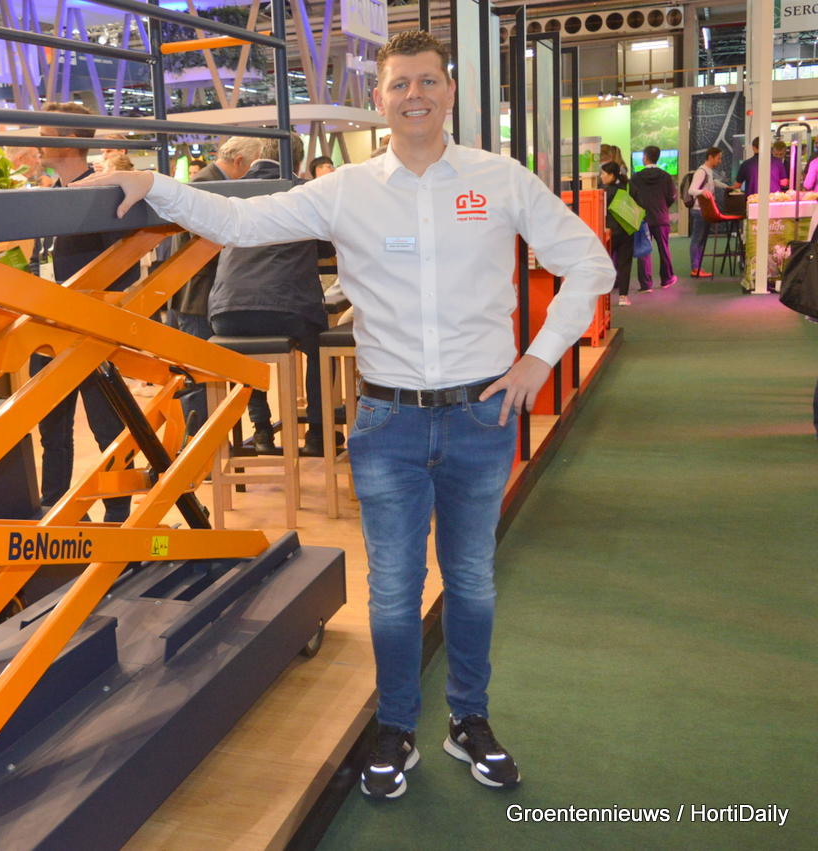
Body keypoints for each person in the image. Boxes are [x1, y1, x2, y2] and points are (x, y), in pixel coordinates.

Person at [76, 30, 613, 798]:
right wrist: (154, 182)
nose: (414, 95)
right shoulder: (347, 189)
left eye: (427, 81)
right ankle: (395, 728)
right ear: (380, 99)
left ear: (450, 91)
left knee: (471, 582)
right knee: (393, 588)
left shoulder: (500, 180)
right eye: (399, 84)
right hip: (388, 423)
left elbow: (588, 262)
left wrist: (540, 358)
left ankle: (469, 719)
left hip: (480, 417)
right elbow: (240, 224)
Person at [32, 102, 139, 523]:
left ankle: (119, 511)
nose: (39, 143)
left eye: (46, 135)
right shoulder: (48, 198)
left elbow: (126, 266)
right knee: (51, 428)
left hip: (91, 327)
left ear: (71, 140)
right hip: (45, 323)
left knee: (106, 424)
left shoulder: (100, 194)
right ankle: (55, 507)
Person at [207, 134, 331, 456]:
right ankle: (318, 434)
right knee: (322, 348)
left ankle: (261, 431)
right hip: (284, 309)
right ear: (299, 161)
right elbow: (328, 245)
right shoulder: (304, 191)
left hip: (224, 312)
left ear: (260, 153)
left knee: (247, 354)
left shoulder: (234, 190)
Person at [168, 136, 261, 432]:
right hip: (198, 296)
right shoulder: (208, 186)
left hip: (203, 294)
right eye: (253, 167)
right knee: (199, 376)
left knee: (206, 376)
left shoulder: (208, 182)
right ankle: (199, 447)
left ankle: (210, 446)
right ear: (239, 162)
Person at [629, 145, 678, 292]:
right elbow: (671, 197)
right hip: (661, 217)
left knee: (644, 250)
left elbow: (631, 197)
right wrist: (663, 207)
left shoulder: (636, 178)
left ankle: (646, 284)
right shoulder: (666, 176)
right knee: (664, 249)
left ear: (645, 157)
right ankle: (667, 279)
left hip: (643, 218)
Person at [686, 146, 732, 278]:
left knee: (700, 240)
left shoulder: (708, 171)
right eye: (718, 158)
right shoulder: (701, 171)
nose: (720, 161)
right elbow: (691, 190)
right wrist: (702, 192)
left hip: (704, 210)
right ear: (710, 157)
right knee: (697, 239)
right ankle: (695, 268)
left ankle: (697, 267)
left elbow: (712, 182)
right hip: (699, 210)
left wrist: (726, 187)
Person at [600, 162, 635, 305]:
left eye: (603, 173)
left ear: (611, 175)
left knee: (605, 263)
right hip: (626, 230)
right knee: (624, 264)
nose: (601, 176)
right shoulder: (626, 187)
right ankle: (623, 297)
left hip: (609, 232)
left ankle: (603, 296)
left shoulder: (604, 192)